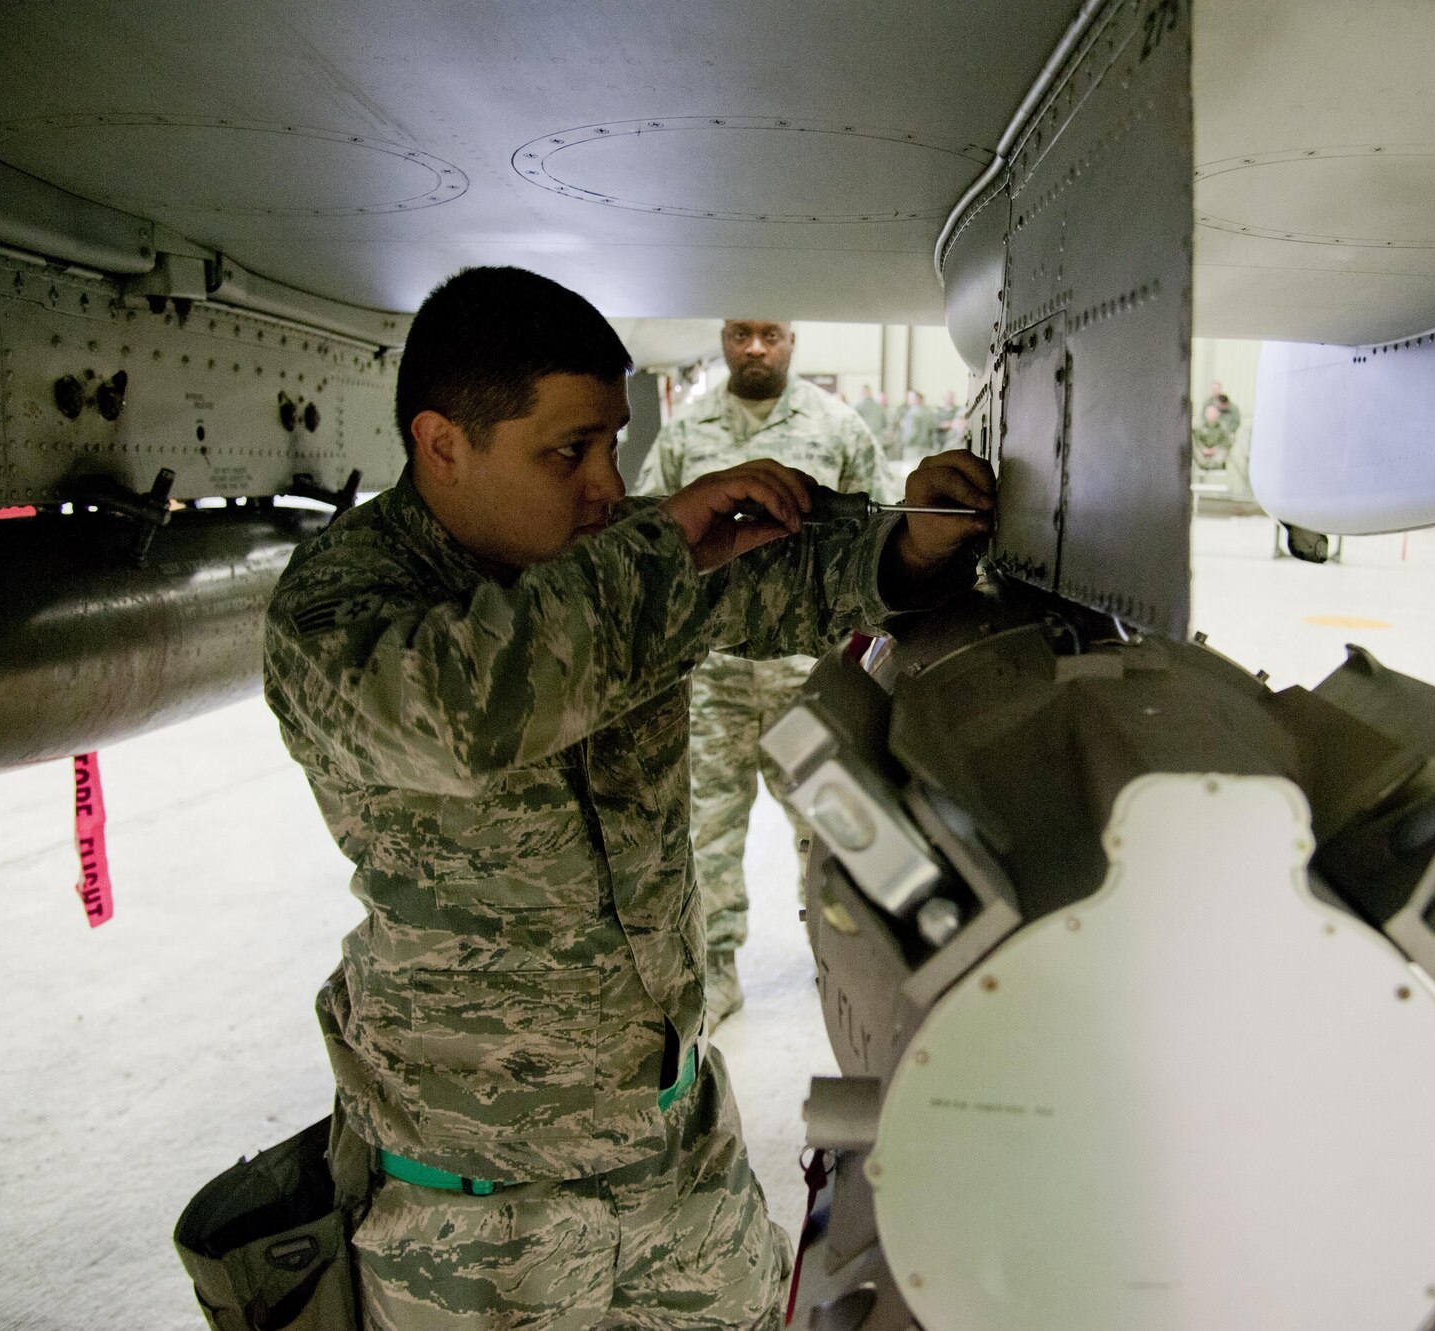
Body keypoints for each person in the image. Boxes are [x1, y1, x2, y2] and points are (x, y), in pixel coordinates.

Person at [262, 268, 993, 1330]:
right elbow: (468, 711)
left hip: (674, 1150)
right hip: (478, 1210)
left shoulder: (609, 555)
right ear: (442, 444)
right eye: (569, 451)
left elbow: (775, 581)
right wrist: (662, 545)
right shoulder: (340, 604)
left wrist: (909, 546)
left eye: (613, 442)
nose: (609, 484)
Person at [634, 321, 893, 1028]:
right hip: (709, 678)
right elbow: (644, 539)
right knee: (706, 829)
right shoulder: (685, 434)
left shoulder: (837, 427)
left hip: (806, 679)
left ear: (791, 340)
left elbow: (879, 537)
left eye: (769, 335)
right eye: (741, 334)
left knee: (832, 822)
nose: (754, 348)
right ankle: (715, 969)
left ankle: (839, 956)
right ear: (724, 339)